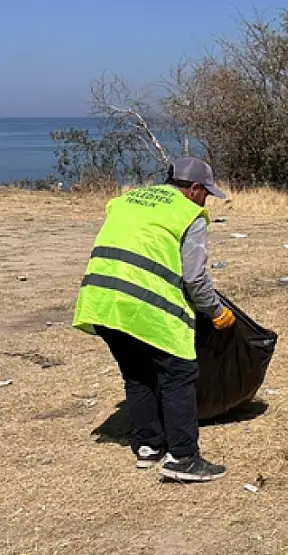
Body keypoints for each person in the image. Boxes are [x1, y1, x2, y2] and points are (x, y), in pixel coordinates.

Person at [73, 157, 235, 482]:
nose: (207, 201)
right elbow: (194, 279)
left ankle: (148, 446)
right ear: (194, 189)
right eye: (206, 194)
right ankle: (184, 459)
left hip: (102, 299)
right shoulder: (190, 214)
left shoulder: (127, 200)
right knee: (179, 373)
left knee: (138, 373)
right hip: (143, 304)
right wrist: (217, 312)